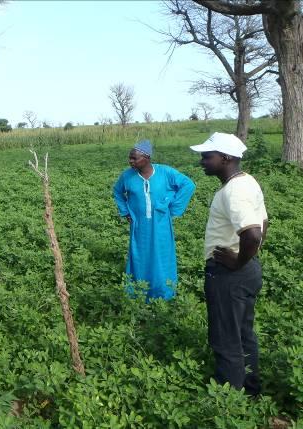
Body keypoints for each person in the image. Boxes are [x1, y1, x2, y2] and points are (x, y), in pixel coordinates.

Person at [190, 132, 268, 396]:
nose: (202, 161)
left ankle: (229, 403)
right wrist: (248, 257)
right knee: (243, 333)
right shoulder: (247, 182)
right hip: (245, 271)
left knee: (226, 339)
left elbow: (253, 233)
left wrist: (237, 261)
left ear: (225, 158)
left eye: (207, 156)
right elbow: (263, 222)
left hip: (229, 274)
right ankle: (250, 392)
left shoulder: (234, 191)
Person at [113, 139, 196, 300]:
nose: (130, 161)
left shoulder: (165, 172)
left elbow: (188, 185)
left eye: (134, 158)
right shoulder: (127, 176)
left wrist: (172, 208)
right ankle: (138, 292)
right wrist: (125, 212)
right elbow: (117, 192)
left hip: (161, 225)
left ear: (147, 158)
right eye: (130, 158)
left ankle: (163, 294)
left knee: (162, 256)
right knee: (139, 256)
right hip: (139, 226)